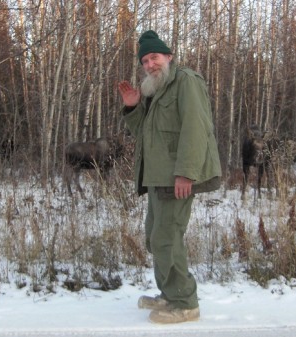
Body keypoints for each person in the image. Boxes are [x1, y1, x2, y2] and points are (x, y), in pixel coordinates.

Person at [118, 30, 222, 324]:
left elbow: (196, 127)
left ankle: (185, 302)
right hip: (157, 176)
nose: (150, 64)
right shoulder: (155, 90)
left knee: (166, 237)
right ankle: (169, 293)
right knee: (156, 236)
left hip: (176, 176)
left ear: (169, 57)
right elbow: (146, 137)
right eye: (145, 60)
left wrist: (186, 173)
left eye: (155, 57)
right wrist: (132, 107)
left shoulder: (185, 81)